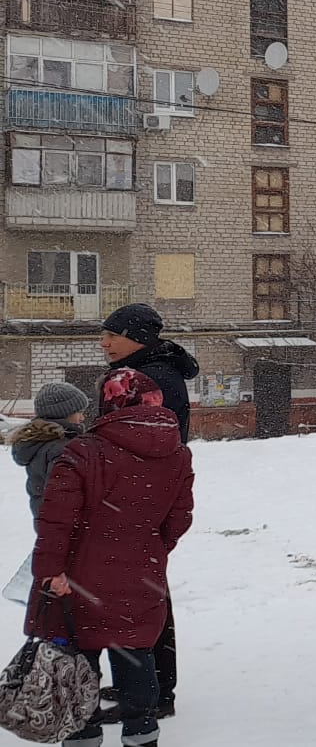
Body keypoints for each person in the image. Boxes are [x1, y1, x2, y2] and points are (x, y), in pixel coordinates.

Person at [32, 369, 193, 747]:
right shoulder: (177, 453)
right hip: (142, 571)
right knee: (135, 652)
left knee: (78, 656)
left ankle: (83, 735)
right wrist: (149, 549)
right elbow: (179, 518)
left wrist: (50, 570)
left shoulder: (82, 451)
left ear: (109, 402)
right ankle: (142, 732)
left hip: (78, 573)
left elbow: (56, 520)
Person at [99, 303, 197, 716]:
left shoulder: (152, 377)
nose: (104, 343)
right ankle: (144, 685)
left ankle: (152, 692)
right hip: (137, 497)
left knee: (139, 596)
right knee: (139, 593)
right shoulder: (146, 369)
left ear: (137, 339)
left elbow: (152, 444)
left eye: (113, 335)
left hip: (137, 500)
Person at [100, 303, 197, 443]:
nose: (104, 343)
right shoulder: (153, 370)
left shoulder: (148, 379)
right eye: (103, 335)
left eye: (113, 335)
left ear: (140, 339)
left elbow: (130, 440)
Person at [12, 382, 89, 517]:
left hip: (48, 521)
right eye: (79, 412)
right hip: (64, 523)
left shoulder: (42, 443)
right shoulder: (60, 449)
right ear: (64, 414)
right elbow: (64, 499)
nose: (83, 418)